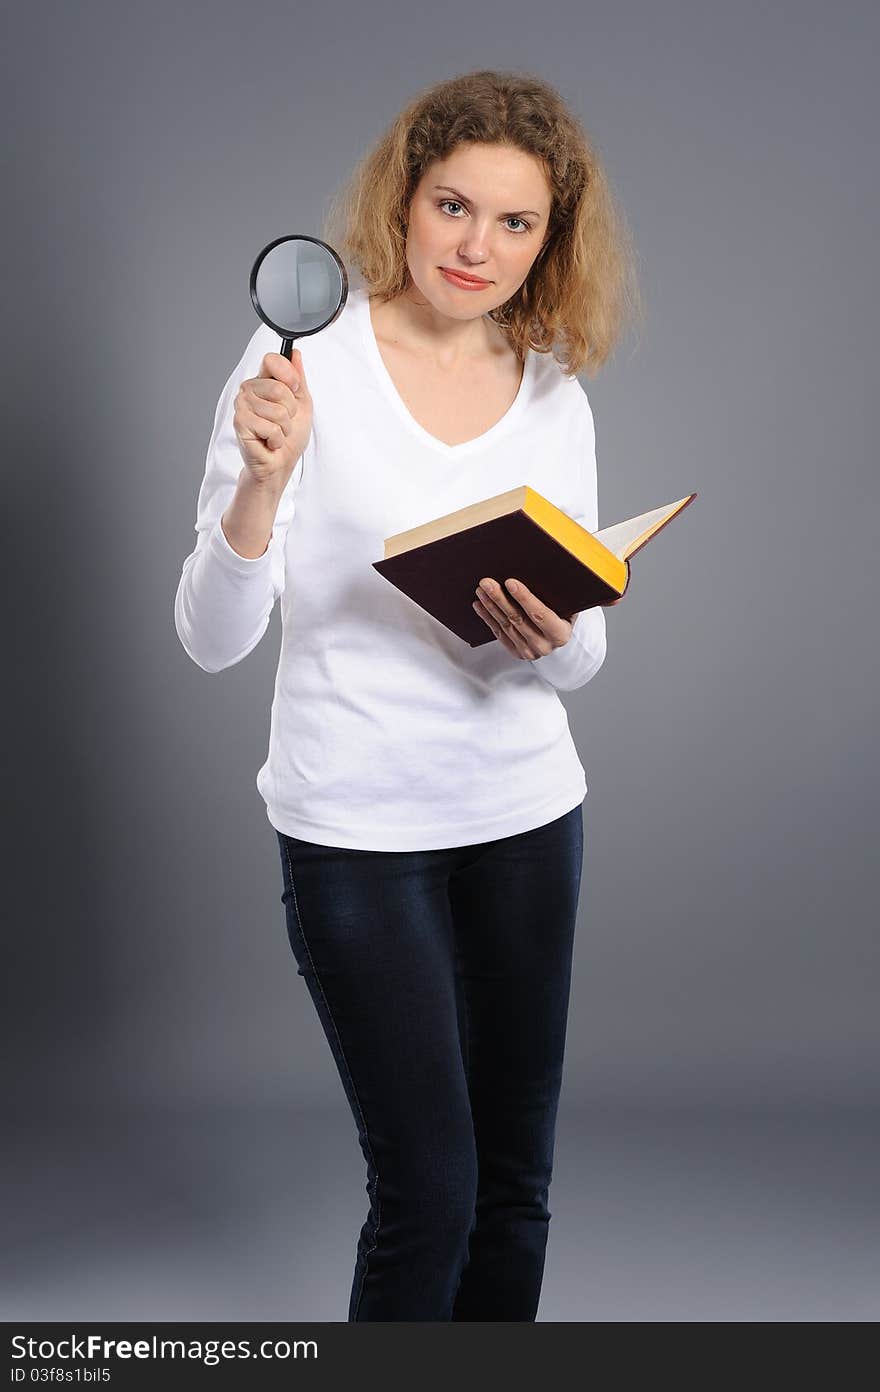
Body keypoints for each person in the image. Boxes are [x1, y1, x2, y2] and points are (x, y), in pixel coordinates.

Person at [174, 68, 641, 1321]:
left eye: (514, 222)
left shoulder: (553, 394)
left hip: (529, 821)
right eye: (453, 206)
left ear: (551, 239)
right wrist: (260, 486)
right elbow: (211, 640)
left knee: (512, 1188)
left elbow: (580, 662)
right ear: (405, 198)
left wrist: (551, 635)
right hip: (357, 837)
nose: (476, 246)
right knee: (428, 1195)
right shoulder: (300, 360)